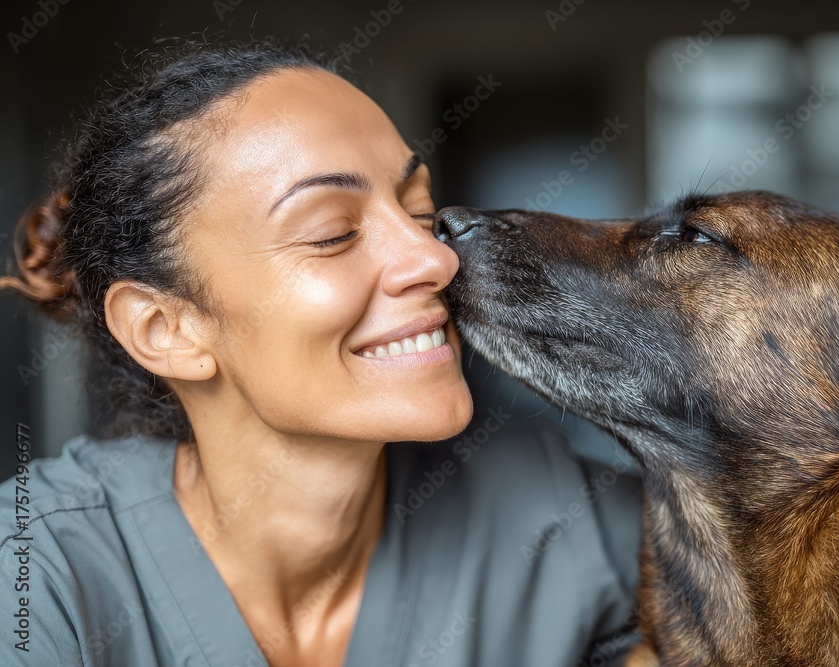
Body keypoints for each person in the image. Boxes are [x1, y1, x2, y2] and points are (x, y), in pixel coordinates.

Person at [0, 39, 642, 666]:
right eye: (333, 234)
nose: (438, 258)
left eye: (419, 212)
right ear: (165, 328)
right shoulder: (36, 575)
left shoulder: (547, 507)